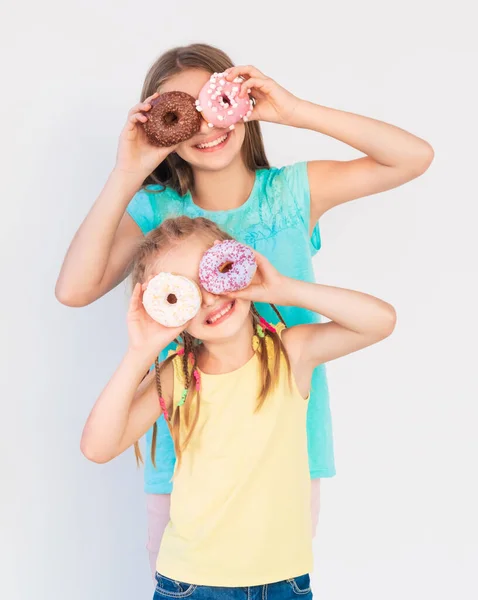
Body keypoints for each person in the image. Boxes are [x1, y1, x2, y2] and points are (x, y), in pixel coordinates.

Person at [56, 43, 433, 573]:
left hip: (285, 445)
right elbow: (74, 289)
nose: (205, 126)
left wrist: (294, 111)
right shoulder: (157, 213)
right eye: (181, 115)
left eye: (215, 103)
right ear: (163, 130)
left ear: (241, 102)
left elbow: (414, 157)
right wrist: (128, 171)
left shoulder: (294, 193)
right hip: (184, 459)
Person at [81, 216, 396, 599]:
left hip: (285, 582)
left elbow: (380, 321)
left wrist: (283, 289)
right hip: (191, 584)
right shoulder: (178, 372)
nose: (209, 298)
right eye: (185, 294)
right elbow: (97, 447)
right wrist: (140, 351)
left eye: (214, 274)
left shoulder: (290, 353)